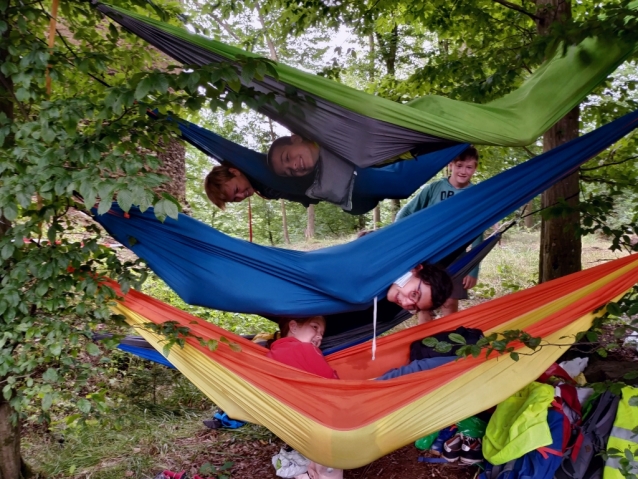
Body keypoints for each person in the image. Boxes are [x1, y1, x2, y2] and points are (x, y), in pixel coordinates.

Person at [395, 147, 483, 324]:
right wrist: (408, 243)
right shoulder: (434, 188)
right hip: (429, 255)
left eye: (469, 167)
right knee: (425, 301)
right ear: (450, 165)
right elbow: (404, 214)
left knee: (449, 302)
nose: (463, 171)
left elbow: (478, 231)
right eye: (459, 165)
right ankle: (424, 343)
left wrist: (473, 269)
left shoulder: (477, 194)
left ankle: (448, 342)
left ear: (475, 168)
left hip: (457, 256)